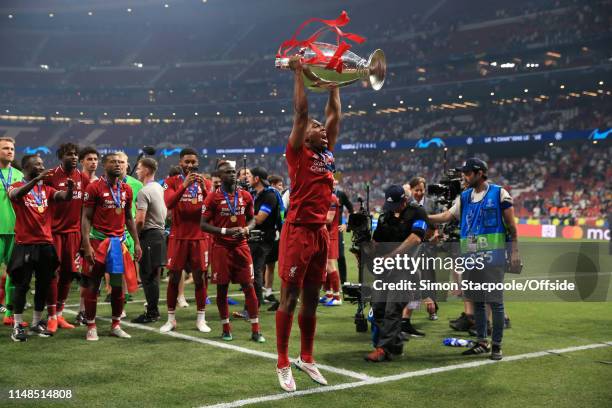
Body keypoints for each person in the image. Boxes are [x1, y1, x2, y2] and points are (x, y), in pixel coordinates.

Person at [275, 55, 340, 392]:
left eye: (320, 127)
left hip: (320, 233)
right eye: (317, 128)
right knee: (289, 297)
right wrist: (298, 73)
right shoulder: (297, 153)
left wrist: (334, 88)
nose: (321, 129)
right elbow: (302, 114)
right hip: (298, 230)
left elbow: (334, 116)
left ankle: (307, 358)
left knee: (312, 300)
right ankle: (283, 361)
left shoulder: (326, 154)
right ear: (305, 136)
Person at [428, 158, 521, 361]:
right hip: (470, 258)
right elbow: (446, 216)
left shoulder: (499, 193)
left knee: (495, 303)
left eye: (468, 173)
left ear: (480, 173)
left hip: (493, 257)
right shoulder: (464, 197)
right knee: (477, 302)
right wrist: (424, 216)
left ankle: (497, 346)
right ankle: (481, 342)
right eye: (464, 173)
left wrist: (514, 252)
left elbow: (512, 227)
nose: (464, 176)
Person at [7, 154, 74, 341]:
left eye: (42, 164)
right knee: (22, 286)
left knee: (43, 285)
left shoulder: (46, 189)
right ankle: (17, 325)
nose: (42, 166)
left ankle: (37, 323)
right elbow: (16, 196)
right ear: (27, 167)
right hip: (25, 244)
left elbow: (63, 197)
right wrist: (36, 180)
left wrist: (69, 190)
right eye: (38, 164)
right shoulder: (16, 186)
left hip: (46, 244)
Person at [200, 161, 265, 343]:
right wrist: (224, 231)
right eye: (228, 172)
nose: (233, 175)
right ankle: (226, 329)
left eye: (233, 172)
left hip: (241, 246)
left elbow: (253, 219)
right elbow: (203, 224)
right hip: (221, 248)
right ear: (220, 177)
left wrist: (247, 229)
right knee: (222, 289)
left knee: (249, 286)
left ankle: (256, 330)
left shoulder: (245, 195)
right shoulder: (212, 198)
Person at [365, 185, 430, 362]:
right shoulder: (386, 216)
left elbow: (416, 238)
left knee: (393, 309)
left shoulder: (417, 212)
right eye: (390, 205)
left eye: (396, 205)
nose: (393, 209)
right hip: (385, 272)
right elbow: (376, 241)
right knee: (377, 309)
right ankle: (395, 343)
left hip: (405, 270)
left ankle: (383, 349)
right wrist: (364, 246)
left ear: (405, 200)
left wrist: (390, 256)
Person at [81, 152, 141, 341]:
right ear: (104, 166)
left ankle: (115, 324)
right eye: (113, 162)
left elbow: (129, 218)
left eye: (120, 162)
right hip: (98, 243)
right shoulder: (93, 187)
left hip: (118, 244)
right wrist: (86, 244)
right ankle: (91, 325)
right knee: (93, 284)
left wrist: (137, 243)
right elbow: (86, 217)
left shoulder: (126, 189)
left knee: (117, 287)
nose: (117, 165)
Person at [161, 148, 212, 333]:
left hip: (199, 237)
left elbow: (211, 207)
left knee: (200, 279)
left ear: (197, 163)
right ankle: (171, 319)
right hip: (178, 237)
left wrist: (206, 190)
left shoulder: (205, 182)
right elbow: (169, 203)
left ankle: (201, 319)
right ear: (180, 163)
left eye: (193, 162)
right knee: (174, 277)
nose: (190, 165)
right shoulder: (171, 182)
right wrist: (184, 186)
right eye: (186, 162)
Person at [44, 143, 90, 333]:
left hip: (74, 233)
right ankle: (51, 316)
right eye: (69, 154)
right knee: (52, 273)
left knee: (68, 273)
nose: (73, 157)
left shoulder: (82, 177)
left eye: (75, 154)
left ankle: (61, 313)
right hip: (53, 232)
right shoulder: (50, 176)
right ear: (61, 156)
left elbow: (85, 209)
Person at [131, 158, 167, 324]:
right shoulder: (158, 187)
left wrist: (135, 238)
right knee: (152, 276)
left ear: (146, 170)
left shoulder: (144, 192)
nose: (137, 171)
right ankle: (153, 311)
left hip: (150, 236)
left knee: (147, 276)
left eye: (139, 168)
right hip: (159, 234)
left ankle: (152, 312)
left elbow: (139, 220)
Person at [246, 167, 282, 308]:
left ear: (256, 179)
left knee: (255, 269)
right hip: (256, 237)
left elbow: (260, 219)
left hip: (263, 239)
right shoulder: (257, 194)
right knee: (255, 269)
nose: (247, 179)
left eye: (249, 176)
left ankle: (254, 304)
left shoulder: (269, 196)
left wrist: (243, 218)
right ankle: (257, 301)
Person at [0, 137, 25, 327]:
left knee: (13, 274)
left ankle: (9, 312)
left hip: (16, 231)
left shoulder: (19, 175)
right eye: (5, 148)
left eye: (12, 148)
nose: (10, 151)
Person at [263, 175, 285, 310]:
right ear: (273, 184)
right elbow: (280, 214)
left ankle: (268, 292)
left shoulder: (276, 194)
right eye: (280, 184)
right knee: (264, 265)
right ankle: (263, 293)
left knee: (270, 265)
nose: (281, 187)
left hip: (274, 234)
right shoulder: (272, 194)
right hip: (271, 234)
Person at [320, 183, 342, 306]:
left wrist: (312, 217)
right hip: (324, 234)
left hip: (331, 235)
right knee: (325, 265)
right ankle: (329, 294)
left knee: (330, 264)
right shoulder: (324, 196)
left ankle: (337, 297)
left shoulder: (332, 198)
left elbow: (329, 219)